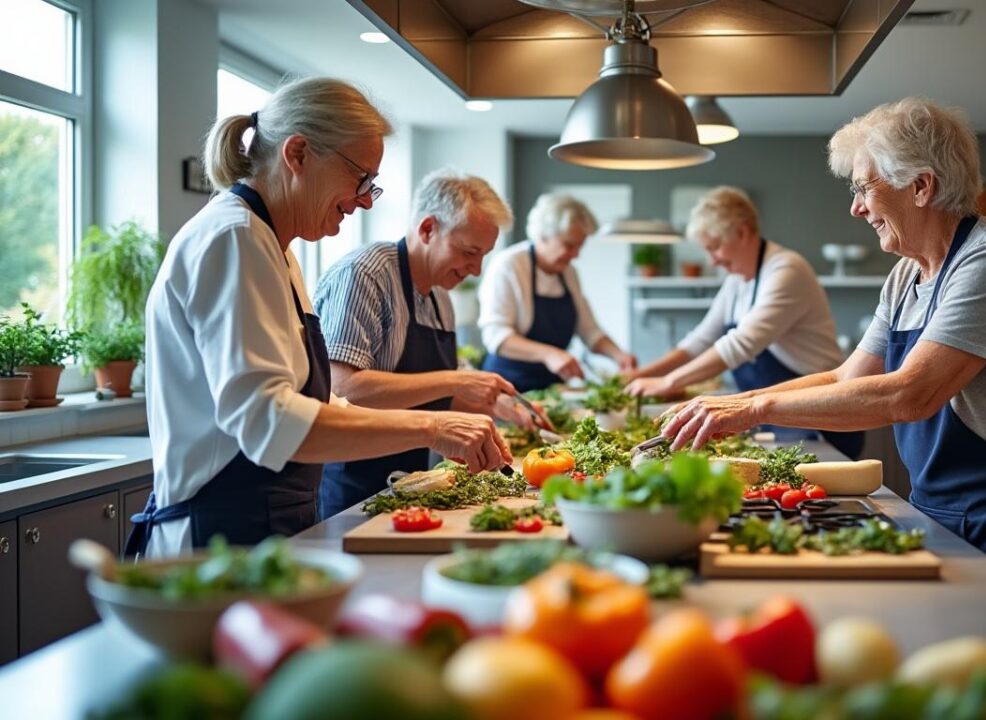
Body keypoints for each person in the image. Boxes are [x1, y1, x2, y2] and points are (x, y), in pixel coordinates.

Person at [662, 98, 986, 618]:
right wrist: (734, 402)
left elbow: (908, 394)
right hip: (942, 506)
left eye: (864, 188)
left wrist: (753, 411)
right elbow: (847, 377)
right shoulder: (906, 276)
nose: (857, 208)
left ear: (922, 186)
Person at [132, 77, 510, 558]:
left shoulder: (276, 249)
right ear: (298, 154)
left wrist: (445, 424)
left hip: (266, 527)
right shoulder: (234, 239)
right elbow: (269, 420)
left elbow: (323, 399)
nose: (365, 200)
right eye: (360, 179)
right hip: (216, 542)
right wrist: (431, 428)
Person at [312, 169, 531, 518]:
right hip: (351, 486)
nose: (476, 270)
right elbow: (343, 387)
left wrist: (490, 416)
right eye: (469, 251)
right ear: (428, 229)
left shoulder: (440, 297)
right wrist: (457, 379)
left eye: (484, 255)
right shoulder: (365, 275)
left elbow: (430, 392)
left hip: (409, 481)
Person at [626, 187, 863, 459]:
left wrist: (668, 382)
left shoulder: (786, 270)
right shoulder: (737, 281)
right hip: (777, 418)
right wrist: (642, 376)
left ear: (741, 232)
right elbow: (699, 340)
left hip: (819, 419)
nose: (712, 259)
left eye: (714, 247)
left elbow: (739, 345)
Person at [478, 193, 637, 392]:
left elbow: (589, 331)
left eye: (579, 247)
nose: (576, 255)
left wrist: (618, 355)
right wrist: (549, 354)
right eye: (569, 245)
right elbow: (496, 336)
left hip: (551, 389)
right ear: (543, 235)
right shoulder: (509, 265)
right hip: (507, 387)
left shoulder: (569, 273)